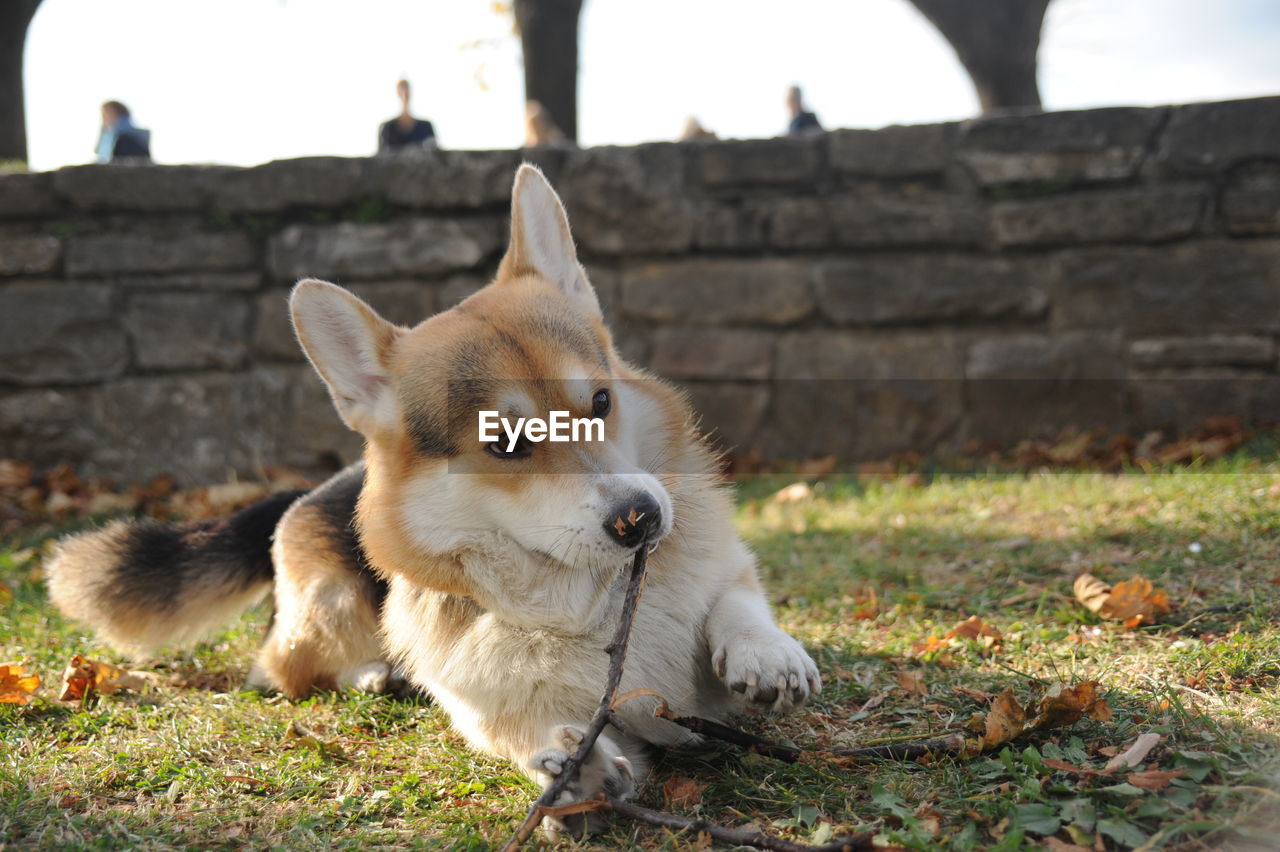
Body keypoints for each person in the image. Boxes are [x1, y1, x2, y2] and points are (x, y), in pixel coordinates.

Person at [378, 79, 437, 153]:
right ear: (398, 93)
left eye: (407, 91)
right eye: (402, 91)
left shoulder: (426, 126)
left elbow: (435, 151)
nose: (405, 94)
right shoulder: (387, 128)